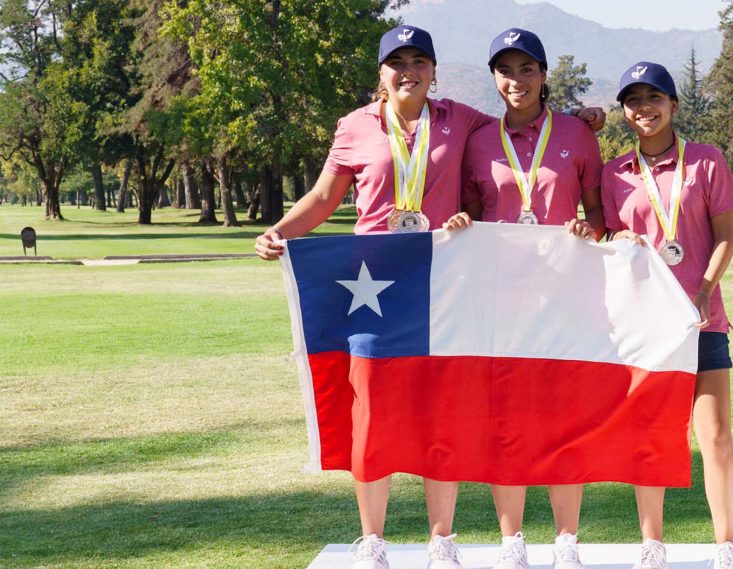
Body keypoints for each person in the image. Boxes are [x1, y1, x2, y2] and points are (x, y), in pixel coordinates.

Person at [253, 25, 604, 569]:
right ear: (381, 73)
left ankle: (442, 539)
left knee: (442, 412)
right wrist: (280, 231)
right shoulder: (353, 126)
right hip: (373, 287)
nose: (409, 71)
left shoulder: (462, 120)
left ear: (434, 70)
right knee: (373, 413)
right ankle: (373, 540)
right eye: (397, 62)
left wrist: (580, 119)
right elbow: (324, 196)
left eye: (419, 61)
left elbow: (521, 122)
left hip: (443, 284)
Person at [458, 28, 605, 569]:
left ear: (544, 75)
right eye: (506, 70)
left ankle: (567, 540)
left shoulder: (578, 133)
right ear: (493, 78)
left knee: (564, 421)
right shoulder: (478, 138)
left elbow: (598, 211)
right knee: (507, 424)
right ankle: (512, 541)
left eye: (527, 69)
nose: (516, 80)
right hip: (500, 301)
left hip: (565, 297)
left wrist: (591, 231)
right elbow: (471, 214)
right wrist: (462, 223)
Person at [600, 62, 733, 569]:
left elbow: (725, 237)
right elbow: (608, 236)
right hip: (645, 326)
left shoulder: (705, 160)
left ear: (673, 104)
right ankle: (652, 545)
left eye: (654, 97)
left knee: (715, 436)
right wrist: (618, 237)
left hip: (701, 321)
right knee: (651, 437)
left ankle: (726, 546)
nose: (645, 108)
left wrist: (704, 291)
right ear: (624, 112)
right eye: (633, 100)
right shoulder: (614, 173)